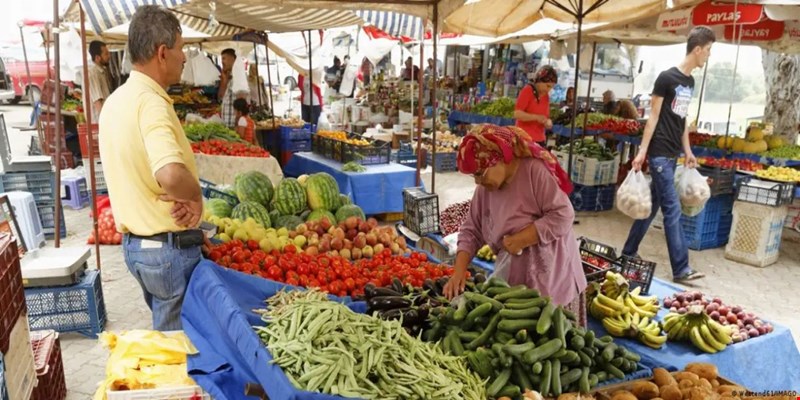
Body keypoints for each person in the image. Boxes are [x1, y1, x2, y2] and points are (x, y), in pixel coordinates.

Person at [99, 5, 204, 331]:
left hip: (137, 248)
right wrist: (195, 196)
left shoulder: (116, 101)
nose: (184, 57)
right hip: (165, 252)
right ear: (162, 52)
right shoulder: (151, 103)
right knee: (177, 348)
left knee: (166, 335)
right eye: (181, 47)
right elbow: (170, 175)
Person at [442, 124, 587, 324]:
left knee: (554, 341)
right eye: (474, 176)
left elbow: (563, 215)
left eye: (480, 174)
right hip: (518, 282)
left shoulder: (534, 171)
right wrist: (459, 272)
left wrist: (521, 239)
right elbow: (471, 229)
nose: (478, 183)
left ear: (499, 158)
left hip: (553, 278)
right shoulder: (486, 189)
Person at [623, 26, 716, 282]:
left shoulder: (690, 82)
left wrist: (688, 151)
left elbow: (682, 120)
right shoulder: (666, 78)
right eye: (708, 50)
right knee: (672, 209)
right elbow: (652, 117)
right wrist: (642, 152)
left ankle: (628, 251)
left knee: (652, 207)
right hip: (660, 153)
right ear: (697, 49)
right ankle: (681, 268)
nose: (708, 56)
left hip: (673, 153)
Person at [514, 65, 557, 147]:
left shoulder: (546, 96)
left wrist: (548, 123)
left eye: (551, 87)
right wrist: (536, 117)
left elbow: (545, 116)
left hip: (540, 140)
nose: (549, 89)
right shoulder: (527, 90)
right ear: (539, 81)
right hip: (524, 139)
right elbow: (517, 114)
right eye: (547, 86)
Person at [219, 48, 248, 129]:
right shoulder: (229, 77)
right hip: (227, 124)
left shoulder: (238, 76)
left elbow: (241, 103)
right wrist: (224, 81)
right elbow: (220, 96)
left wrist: (238, 124)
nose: (222, 62)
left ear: (232, 59)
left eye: (224, 58)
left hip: (234, 126)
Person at [82, 40, 112, 118]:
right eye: (106, 54)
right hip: (98, 121)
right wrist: (106, 121)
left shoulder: (101, 71)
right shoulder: (93, 73)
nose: (109, 56)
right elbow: (98, 102)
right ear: (97, 58)